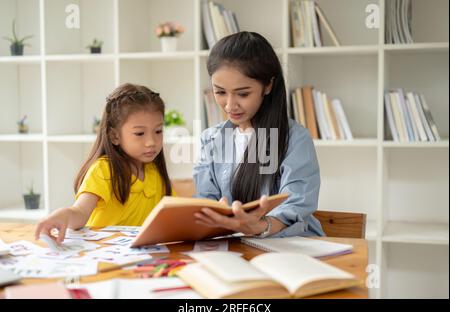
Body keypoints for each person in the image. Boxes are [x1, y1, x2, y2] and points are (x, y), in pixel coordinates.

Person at [193, 31, 324, 238]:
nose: (230, 105)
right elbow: (205, 202)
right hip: (231, 248)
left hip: (288, 248)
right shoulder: (210, 139)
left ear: (268, 86)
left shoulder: (295, 139)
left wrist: (261, 226)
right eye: (220, 92)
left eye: (243, 94)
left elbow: (296, 203)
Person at [35, 83, 173, 243]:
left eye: (158, 131)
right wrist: (63, 215)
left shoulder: (154, 171)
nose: (151, 142)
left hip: (139, 256)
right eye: (139, 133)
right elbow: (80, 212)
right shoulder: (104, 170)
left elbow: (172, 211)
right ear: (114, 136)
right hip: (102, 255)